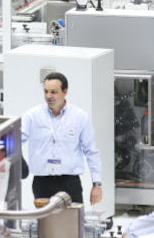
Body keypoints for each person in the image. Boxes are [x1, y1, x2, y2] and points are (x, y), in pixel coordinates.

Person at [21, 72, 103, 205]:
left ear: (65, 92)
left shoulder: (79, 117)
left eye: (53, 92)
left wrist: (97, 184)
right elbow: (16, 139)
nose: (48, 96)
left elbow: (91, 151)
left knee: (73, 224)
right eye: (46, 91)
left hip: (69, 182)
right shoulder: (32, 116)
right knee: (45, 224)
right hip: (42, 182)